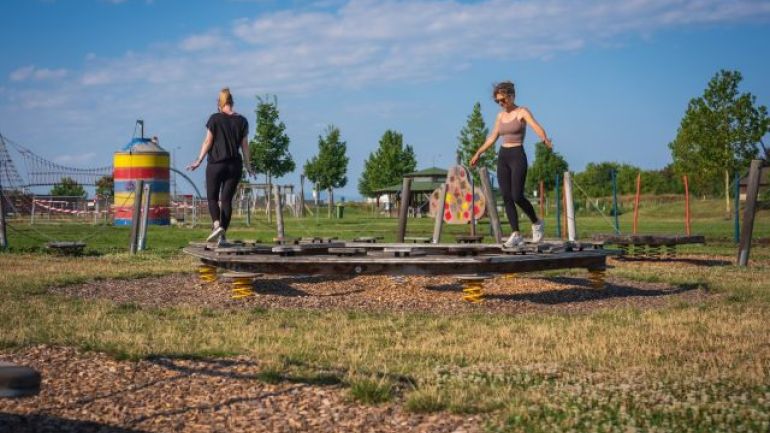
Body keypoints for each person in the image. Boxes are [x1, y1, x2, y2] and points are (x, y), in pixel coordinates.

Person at [470, 81, 553, 247]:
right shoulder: (500, 116)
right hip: (503, 156)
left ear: (511, 96)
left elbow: (535, 126)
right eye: (497, 101)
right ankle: (516, 234)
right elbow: (493, 136)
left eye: (503, 100)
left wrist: (544, 138)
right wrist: (479, 152)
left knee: (517, 195)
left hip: (517, 155)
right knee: (506, 196)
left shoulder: (522, 111)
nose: (500, 103)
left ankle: (536, 222)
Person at [187, 88, 253, 244]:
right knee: (227, 201)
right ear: (232, 102)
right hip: (234, 166)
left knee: (212, 198)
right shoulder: (242, 121)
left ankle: (217, 225)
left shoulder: (215, 119)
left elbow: (207, 142)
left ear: (220, 103)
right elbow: (245, 147)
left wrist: (198, 161)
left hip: (216, 165)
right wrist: (249, 166)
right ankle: (222, 236)